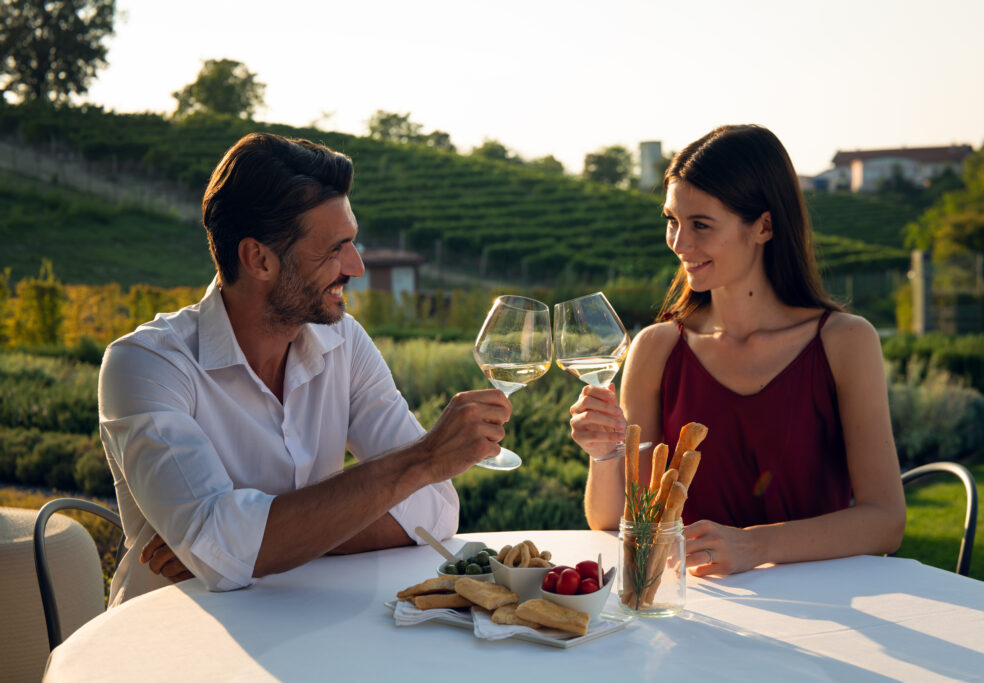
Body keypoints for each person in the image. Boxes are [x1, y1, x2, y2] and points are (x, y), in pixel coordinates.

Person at [98, 132, 512, 607]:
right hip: (168, 646)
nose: (355, 266)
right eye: (334, 249)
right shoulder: (147, 364)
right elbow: (219, 549)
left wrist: (260, 541)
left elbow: (433, 510)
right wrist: (419, 460)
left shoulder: (345, 342)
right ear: (259, 259)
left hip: (306, 630)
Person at [569, 124, 905, 577]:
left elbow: (885, 519)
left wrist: (753, 546)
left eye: (701, 225)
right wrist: (603, 453)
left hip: (826, 613)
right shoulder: (657, 349)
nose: (679, 243)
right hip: (696, 609)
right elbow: (614, 520)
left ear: (764, 226)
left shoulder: (844, 342)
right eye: (672, 220)